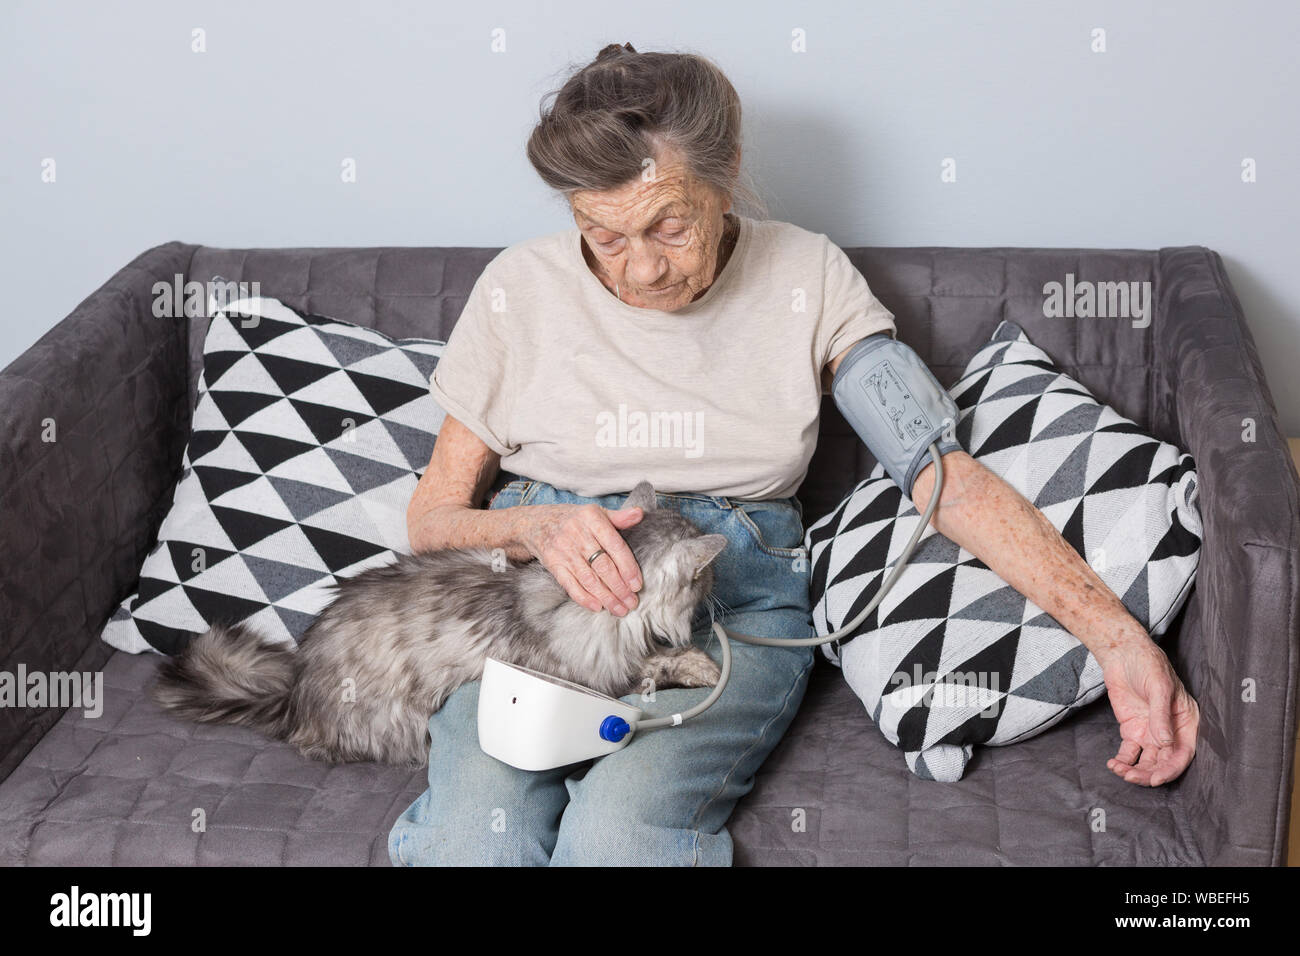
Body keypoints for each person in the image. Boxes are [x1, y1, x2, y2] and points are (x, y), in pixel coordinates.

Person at [388, 43, 1199, 867]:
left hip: (729, 606)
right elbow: (429, 520)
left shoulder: (809, 274)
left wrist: (1122, 642)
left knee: (617, 838)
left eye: (670, 225)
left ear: (728, 171)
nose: (639, 268)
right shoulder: (517, 289)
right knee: (467, 838)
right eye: (600, 234)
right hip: (540, 604)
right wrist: (542, 528)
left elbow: (940, 476)